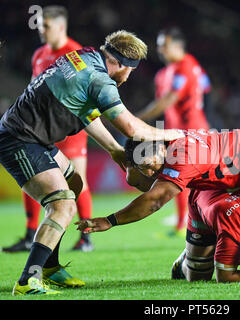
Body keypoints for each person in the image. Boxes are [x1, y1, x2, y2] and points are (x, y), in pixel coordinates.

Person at [0, 29, 185, 295]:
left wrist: (112, 149)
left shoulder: (85, 57)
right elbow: (132, 128)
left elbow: (86, 112)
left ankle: (50, 267)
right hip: (19, 139)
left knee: (73, 183)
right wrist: (171, 134)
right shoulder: (100, 79)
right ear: (121, 64)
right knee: (62, 205)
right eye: (129, 71)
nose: (127, 77)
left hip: (35, 137)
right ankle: (28, 279)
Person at [76, 127, 240, 262]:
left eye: (150, 163)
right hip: (237, 172)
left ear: (160, 148)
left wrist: (110, 221)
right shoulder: (165, 146)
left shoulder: (181, 156)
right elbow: (143, 185)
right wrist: (132, 164)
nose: (151, 171)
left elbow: (153, 201)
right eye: (144, 168)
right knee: (196, 272)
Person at [2, 5, 94, 253]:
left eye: (46, 26)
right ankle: (31, 233)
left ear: (61, 26)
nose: (41, 30)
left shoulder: (75, 53)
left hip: (69, 130)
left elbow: (85, 94)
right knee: (29, 176)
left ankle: (85, 237)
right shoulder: (39, 55)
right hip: (41, 129)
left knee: (77, 181)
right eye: (40, 25)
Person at [137, 27, 210, 236]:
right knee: (178, 178)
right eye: (159, 45)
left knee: (176, 177)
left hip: (191, 130)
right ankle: (185, 221)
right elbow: (205, 86)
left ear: (177, 46)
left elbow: (168, 99)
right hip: (177, 130)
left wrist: (138, 120)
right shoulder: (166, 72)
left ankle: (186, 224)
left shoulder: (185, 67)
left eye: (164, 45)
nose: (160, 49)